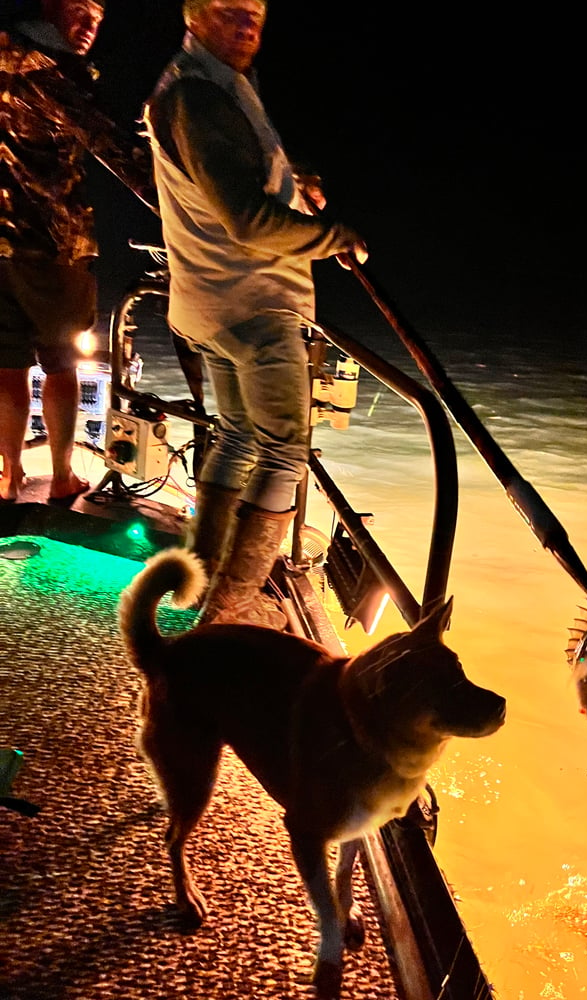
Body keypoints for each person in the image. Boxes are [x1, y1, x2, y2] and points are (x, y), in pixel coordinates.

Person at [143, 0, 368, 628]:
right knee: (283, 454)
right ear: (192, 14)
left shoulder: (213, 85)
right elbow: (245, 220)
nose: (248, 25)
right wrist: (333, 236)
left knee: (240, 437)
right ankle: (228, 616)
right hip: (252, 306)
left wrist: (297, 185)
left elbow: (237, 173)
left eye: (258, 14)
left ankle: (198, 579)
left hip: (208, 302)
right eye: (230, 11)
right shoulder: (198, 94)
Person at [0, 0, 157, 503]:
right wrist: (194, 211)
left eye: (99, 19)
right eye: (81, 12)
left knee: (7, 366)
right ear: (49, 6)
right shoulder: (55, 71)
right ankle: (63, 474)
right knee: (62, 365)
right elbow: (116, 149)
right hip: (52, 246)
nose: (90, 27)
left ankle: (9, 476)